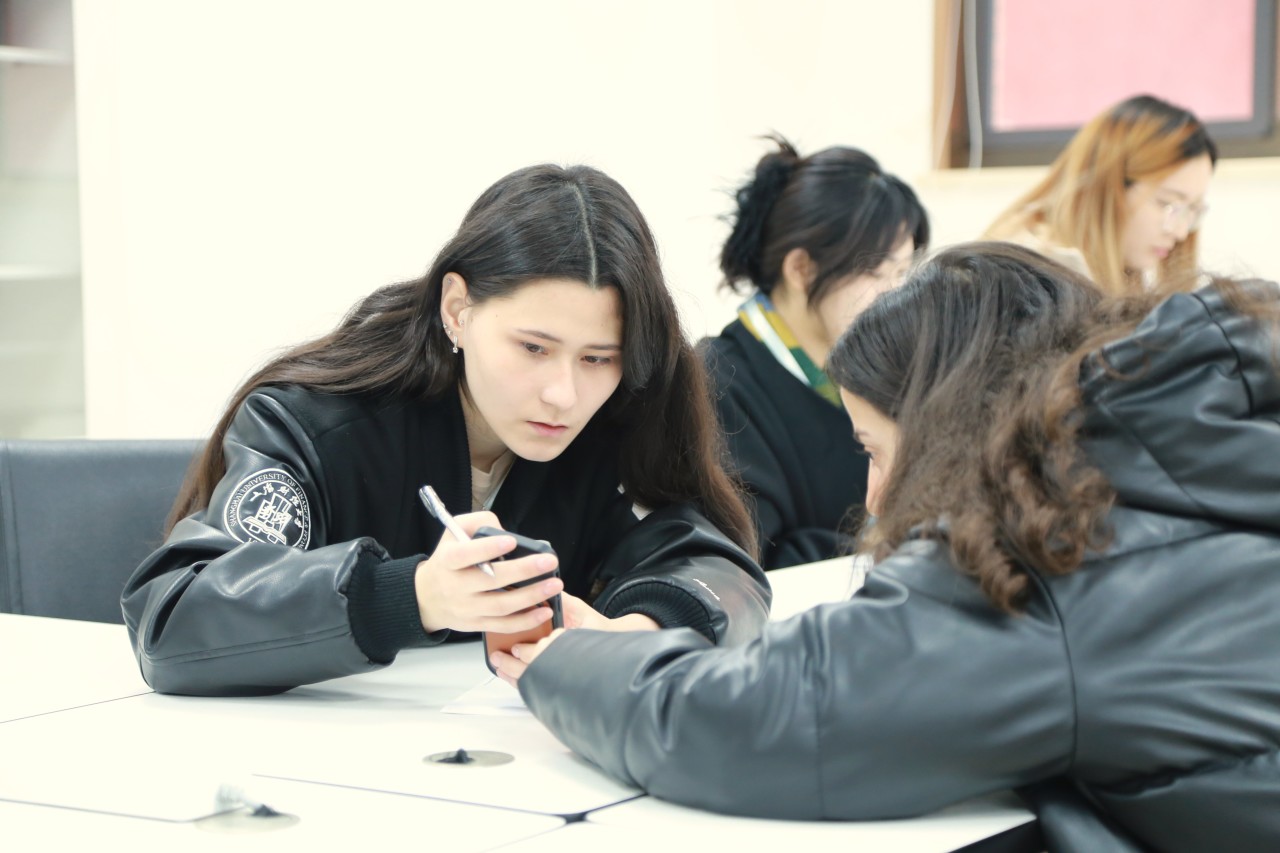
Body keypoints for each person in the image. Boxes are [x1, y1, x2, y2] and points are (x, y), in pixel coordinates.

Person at [499, 243, 1280, 850]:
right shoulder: (1188, 449)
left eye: (875, 450)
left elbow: (761, 720)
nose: (874, 497)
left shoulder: (1050, 553)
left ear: (946, 425)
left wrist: (566, 660)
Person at [122, 163, 771, 697]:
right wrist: (411, 596)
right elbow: (174, 618)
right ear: (458, 309)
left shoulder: (618, 417)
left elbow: (714, 562)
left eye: (598, 357)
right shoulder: (317, 421)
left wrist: (639, 632)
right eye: (534, 348)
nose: (564, 393)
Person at [703, 136, 929, 568]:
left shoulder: (882, 369)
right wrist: (886, 541)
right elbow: (745, 557)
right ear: (801, 269)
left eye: (902, 272)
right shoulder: (718, 381)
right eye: (875, 271)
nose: (894, 293)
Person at [986, 94, 1217, 296]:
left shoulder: (1115, 275)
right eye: (1167, 203)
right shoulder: (1031, 277)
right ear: (1106, 185)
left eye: (1192, 209)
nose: (1180, 231)